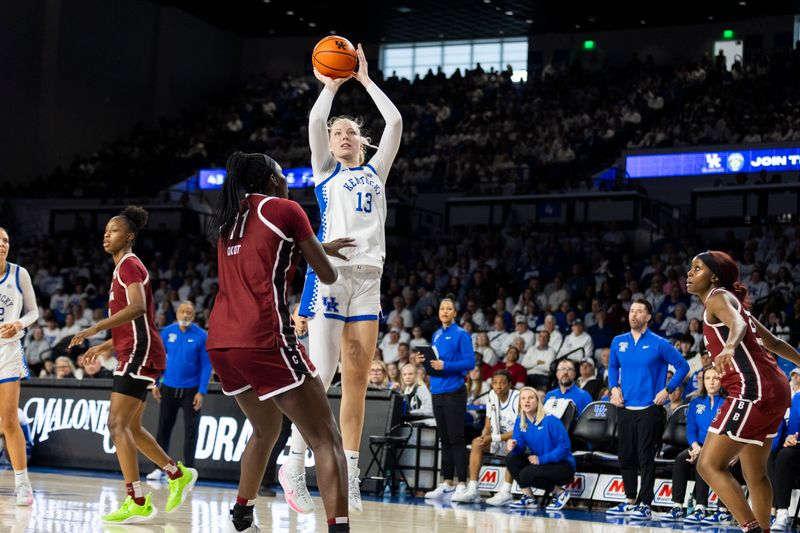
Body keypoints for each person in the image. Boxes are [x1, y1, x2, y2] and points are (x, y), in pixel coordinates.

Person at [205, 151, 353, 533]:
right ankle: (340, 528)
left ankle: (241, 516)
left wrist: (318, 246)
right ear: (271, 179)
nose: (287, 180)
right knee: (326, 439)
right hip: (263, 336)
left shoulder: (228, 219)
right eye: (283, 174)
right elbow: (328, 275)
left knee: (266, 429)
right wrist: (321, 252)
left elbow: (262, 255)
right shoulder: (286, 208)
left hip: (222, 342)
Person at [288, 42, 402, 515]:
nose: (343, 135)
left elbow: (394, 123)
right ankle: (294, 464)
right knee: (319, 376)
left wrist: (367, 80)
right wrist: (331, 87)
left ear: (363, 142)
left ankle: (350, 474)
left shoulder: (376, 171)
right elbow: (316, 122)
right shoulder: (325, 174)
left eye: (351, 131)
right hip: (331, 276)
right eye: (338, 132)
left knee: (356, 380)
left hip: (369, 280)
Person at [69, 207, 196, 524]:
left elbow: (139, 308)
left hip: (140, 352)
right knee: (132, 428)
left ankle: (137, 499)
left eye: (113, 230)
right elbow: (139, 320)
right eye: (106, 230)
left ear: (129, 236)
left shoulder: (129, 265)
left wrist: (96, 328)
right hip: (134, 349)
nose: (106, 234)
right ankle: (175, 473)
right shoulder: (121, 270)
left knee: (116, 425)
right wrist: (107, 343)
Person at [687, 251, 800, 533]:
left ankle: (750, 529)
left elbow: (736, 326)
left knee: (708, 465)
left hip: (754, 389)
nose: (689, 273)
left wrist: (728, 346)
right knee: (755, 474)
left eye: (697, 268)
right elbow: (772, 341)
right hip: (776, 387)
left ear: (713, 276)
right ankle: (763, 529)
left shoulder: (717, 297)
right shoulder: (734, 303)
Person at [606, 298, 689, 520]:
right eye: (631, 310)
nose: (633, 314)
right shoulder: (618, 341)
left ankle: (646, 505)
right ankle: (630, 500)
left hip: (650, 408)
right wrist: (614, 388)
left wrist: (668, 390)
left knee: (646, 457)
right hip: (625, 407)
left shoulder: (659, 343)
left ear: (648, 317)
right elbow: (613, 366)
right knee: (625, 456)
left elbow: (683, 366)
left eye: (639, 311)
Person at [146, 301, 212, 480]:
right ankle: (160, 467)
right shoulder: (167, 332)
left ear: (194, 315)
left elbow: (207, 365)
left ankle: (189, 469)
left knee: (191, 430)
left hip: (191, 390)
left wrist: (202, 391)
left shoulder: (202, 335)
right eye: (182, 311)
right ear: (176, 313)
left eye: (189, 312)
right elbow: (158, 359)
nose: (185, 315)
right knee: (163, 429)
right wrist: (155, 382)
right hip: (169, 387)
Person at [417, 296, 474, 501]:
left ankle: (462, 483)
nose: (445, 311)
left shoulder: (462, 334)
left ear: (455, 313)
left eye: (449, 308)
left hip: (454, 392)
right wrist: (424, 361)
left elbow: (470, 362)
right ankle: (447, 482)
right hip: (437, 391)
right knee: (444, 439)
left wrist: (446, 366)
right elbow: (435, 363)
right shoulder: (436, 335)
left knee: (457, 438)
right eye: (442, 308)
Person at [662, 367, 733, 524]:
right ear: (703, 382)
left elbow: (728, 429)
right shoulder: (696, 402)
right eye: (708, 378)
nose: (711, 382)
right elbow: (691, 430)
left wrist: (704, 449)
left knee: (703, 459)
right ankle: (677, 506)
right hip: (699, 445)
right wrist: (695, 446)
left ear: (721, 381)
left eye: (715, 378)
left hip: (721, 446)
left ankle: (702, 507)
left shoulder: (728, 402)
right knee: (681, 459)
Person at [0, 227, 39, 505]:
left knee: (9, 420)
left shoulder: (18, 273)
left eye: (6, 241)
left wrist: (19, 323)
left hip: (8, 352)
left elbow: (34, 311)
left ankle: (23, 484)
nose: (3, 244)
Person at [451, 369, 519, 505]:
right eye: (495, 383)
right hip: (497, 439)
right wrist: (484, 437)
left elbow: (520, 430)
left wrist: (493, 438)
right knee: (476, 442)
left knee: (511, 444)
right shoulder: (492, 396)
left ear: (510, 384)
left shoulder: (517, 398)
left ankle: (505, 492)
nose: (498, 386)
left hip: (517, 440)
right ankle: (473, 490)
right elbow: (488, 423)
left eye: (502, 383)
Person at [505, 387, 576, 511]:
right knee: (511, 458)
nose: (527, 401)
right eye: (523, 398)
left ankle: (560, 493)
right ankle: (529, 498)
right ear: (520, 403)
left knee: (526, 474)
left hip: (563, 466)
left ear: (538, 401)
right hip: (541, 463)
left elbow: (564, 447)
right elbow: (519, 448)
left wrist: (541, 459)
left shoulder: (551, 420)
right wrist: (514, 446)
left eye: (530, 398)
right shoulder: (520, 422)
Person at [769, 391, 800, 530]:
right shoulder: (798, 398)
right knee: (784, 454)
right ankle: (782, 512)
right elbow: (793, 430)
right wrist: (790, 438)